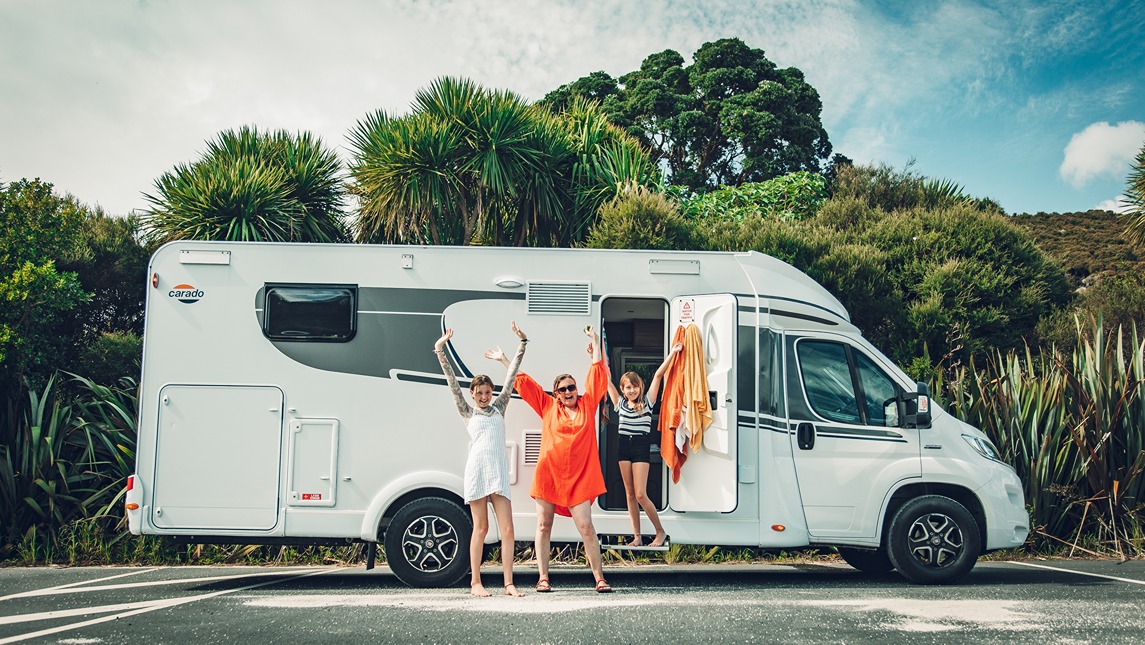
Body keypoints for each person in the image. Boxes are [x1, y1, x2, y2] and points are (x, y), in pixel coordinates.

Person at [495, 326, 612, 593]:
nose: (569, 391)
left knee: (586, 526)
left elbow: (597, 376)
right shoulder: (548, 407)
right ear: (556, 393)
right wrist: (504, 360)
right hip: (549, 475)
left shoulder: (588, 404)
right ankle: (544, 577)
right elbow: (525, 384)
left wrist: (595, 341)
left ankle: (599, 578)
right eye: (563, 389)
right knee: (544, 525)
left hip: (579, 477)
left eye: (572, 387)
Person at [434, 321, 528, 598]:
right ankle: (476, 582)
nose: (485, 396)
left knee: (508, 529)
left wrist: (521, 344)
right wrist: (441, 350)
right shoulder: (467, 411)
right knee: (481, 527)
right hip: (476, 472)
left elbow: (512, 376)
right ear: (473, 394)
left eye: (488, 392)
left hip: (498, 473)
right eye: (480, 393)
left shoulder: (500, 407)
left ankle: (508, 583)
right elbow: (452, 382)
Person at [605, 342, 682, 547]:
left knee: (640, 493)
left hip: (640, 447)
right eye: (628, 387)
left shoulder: (647, 402)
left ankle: (660, 532)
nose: (632, 390)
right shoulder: (619, 403)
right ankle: (637, 536)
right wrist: (594, 354)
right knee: (629, 493)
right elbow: (605, 378)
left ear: (641, 387)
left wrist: (673, 353)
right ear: (622, 389)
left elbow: (658, 375)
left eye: (635, 386)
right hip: (623, 447)